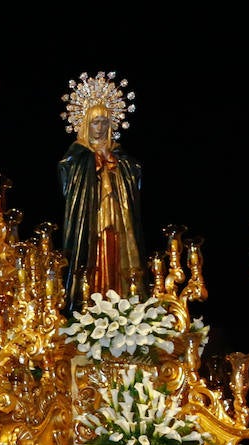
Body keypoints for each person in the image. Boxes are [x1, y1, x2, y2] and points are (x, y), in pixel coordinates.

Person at [58, 70, 144, 308]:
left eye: (104, 122)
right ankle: (88, 298)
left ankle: (121, 297)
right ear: (86, 123)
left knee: (116, 246)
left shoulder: (119, 153)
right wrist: (93, 162)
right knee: (91, 250)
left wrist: (114, 163)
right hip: (90, 215)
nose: (100, 127)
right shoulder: (77, 153)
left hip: (116, 213)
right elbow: (67, 177)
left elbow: (135, 173)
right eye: (95, 122)